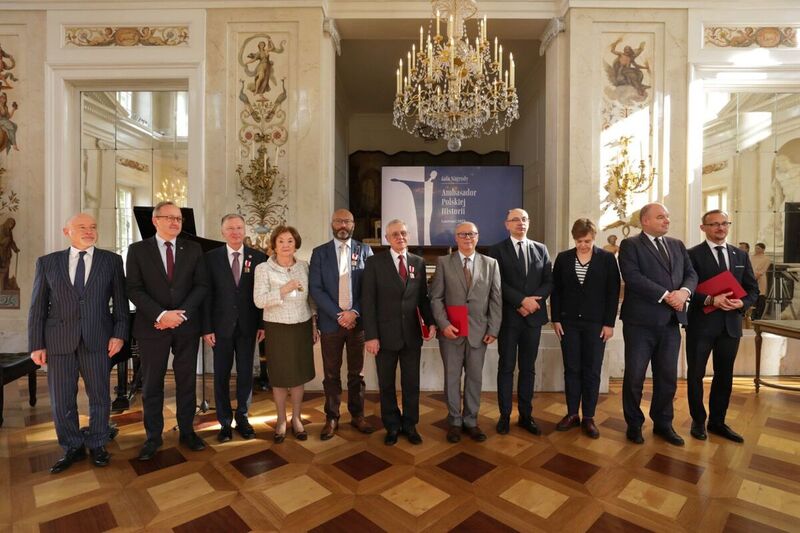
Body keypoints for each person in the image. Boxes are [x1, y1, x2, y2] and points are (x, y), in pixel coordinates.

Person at [28, 213, 128, 473]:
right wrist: (36, 344)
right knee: (61, 400)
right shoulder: (47, 263)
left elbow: (120, 303)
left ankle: (97, 442)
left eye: (93, 227)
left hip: (98, 339)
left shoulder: (112, 261)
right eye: (82, 227)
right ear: (67, 232)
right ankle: (72, 445)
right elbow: (37, 307)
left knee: (99, 395)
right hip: (58, 341)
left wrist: (119, 333)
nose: (89, 231)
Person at [126, 201, 209, 460]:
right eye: (170, 217)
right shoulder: (138, 250)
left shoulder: (193, 249)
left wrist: (179, 315)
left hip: (185, 326)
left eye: (179, 219)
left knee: (186, 381)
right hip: (152, 326)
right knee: (152, 384)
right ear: (155, 220)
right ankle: (153, 437)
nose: (175, 222)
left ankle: (187, 431)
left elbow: (201, 286)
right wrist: (161, 315)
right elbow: (134, 289)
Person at [618, 202, 697, 446]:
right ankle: (634, 424)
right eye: (661, 217)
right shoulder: (630, 245)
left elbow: (691, 274)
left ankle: (663, 423)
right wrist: (666, 295)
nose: (666, 221)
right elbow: (633, 277)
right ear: (645, 221)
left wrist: (684, 292)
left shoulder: (677, 245)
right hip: (640, 323)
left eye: (667, 216)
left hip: (671, 322)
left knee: (667, 377)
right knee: (635, 376)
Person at [686, 210, 758, 443]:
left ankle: (717, 422)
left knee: (724, 376)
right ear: (703, 228)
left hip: (730, 326)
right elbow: (687, 289)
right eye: (714, 224)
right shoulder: (691, 255)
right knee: (695, 374)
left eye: (724, 223)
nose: (720, 228)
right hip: (701, 325)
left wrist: (743, 303)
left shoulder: (740, 254)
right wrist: (709, 300)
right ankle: (698, 421)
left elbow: (752, 289)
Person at [362, 219, 435, 445]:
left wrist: (430, 322)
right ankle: (392, 426)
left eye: (403, 233)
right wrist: (371, 336)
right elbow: (368, 302)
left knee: (411, 383)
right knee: (386, 384)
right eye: (395, 234)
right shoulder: (375, 263)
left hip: (411, 335)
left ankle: (410, 425)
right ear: (387, 238)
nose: (400, 237)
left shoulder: (418, 262)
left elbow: (423, 298)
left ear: (408, 235)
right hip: (383, 337)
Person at [431, 221, 502, 443]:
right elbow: (436, 297)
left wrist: (493, 328)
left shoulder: (491, 264)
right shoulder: (444, 262)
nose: (467, 238)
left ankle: (471, 420)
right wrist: (443, 324)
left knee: (474, 379)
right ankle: (454, 420)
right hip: (451, 332)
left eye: (471, 234)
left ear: (478, 237)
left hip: (479, 333)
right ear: (456, 238)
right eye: (463, 234)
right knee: (452, 379)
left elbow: (496, 299)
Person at [550, 219, 620, 438]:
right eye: (579, 241)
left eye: (587, 241)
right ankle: (572, 414)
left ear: (594, 237)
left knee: (591, 370)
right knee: (572, 369)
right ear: (574, 239)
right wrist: (556, 319)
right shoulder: (563, 258)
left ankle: (588, 417)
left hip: (596, 325)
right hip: (568, 323)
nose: (583, 245)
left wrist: (609, 323)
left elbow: (612, 292)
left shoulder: (607, 259)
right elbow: (557, 291)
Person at [309, 209, 375, 440]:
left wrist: (354, 312)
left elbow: (370, 287)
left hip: (357, 323)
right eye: (339, 221)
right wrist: (340, 314)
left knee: (356, 373)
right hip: (331, 323)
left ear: (353, 224)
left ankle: (357, 415)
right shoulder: (319, 253)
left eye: (347, 220)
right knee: (330, 374)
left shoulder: (365, 250)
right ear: (332, 224)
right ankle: (332, 417)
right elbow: (315, 289)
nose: (343, 225)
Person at [202, 214, 267, 443]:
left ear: (245, 230)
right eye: (230, 228)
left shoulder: (259, 258)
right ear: (222, 232)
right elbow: (206, 295)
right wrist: (206, 327)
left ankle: (242, 417)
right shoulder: (210, 258)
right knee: (220, 375)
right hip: (220, 328)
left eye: (239, 228)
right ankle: (224, 422)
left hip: (249, 327)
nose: (235, 232)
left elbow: (262, 294)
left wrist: (262, 324)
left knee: (246, 374)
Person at [488, 209, 553, 436]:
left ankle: (526, 415)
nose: (520, 223)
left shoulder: (541, 249)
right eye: (515, 220)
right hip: (508, 318)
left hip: (533, 319)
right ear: (507, 225)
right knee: (506, 367)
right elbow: (497, 283)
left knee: (528, 368)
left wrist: (533, 303)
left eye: (524, 219)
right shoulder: (496, 250)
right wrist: (521, 301)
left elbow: (548, 280)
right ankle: (505, 416)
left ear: (529, 223)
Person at [254, 225, 318, 443]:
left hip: (301, 325)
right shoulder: (264, 269)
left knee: (299, 375)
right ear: (274, 244)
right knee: (280, 377)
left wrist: (313, 324)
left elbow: (310, 298)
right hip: (277, 327)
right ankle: (281, 420)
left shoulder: (304, 266)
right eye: (281, 241)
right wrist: (284, 289)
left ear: (296, 244)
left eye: (290, 241)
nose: (285, 245)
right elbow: (259, 300)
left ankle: (297, 418)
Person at [750, 243, 771, 320]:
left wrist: (756, 276)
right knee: (753, 297)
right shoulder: (752, 257)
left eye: (758, 248)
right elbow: (749, 267)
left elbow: (763, 270)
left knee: (761, 298)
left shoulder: (766, 259)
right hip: (751, 278)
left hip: (761, 279)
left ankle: (759, 316)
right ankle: (752, 315)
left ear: (763, 249)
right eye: (756, 248)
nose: (756, 250)